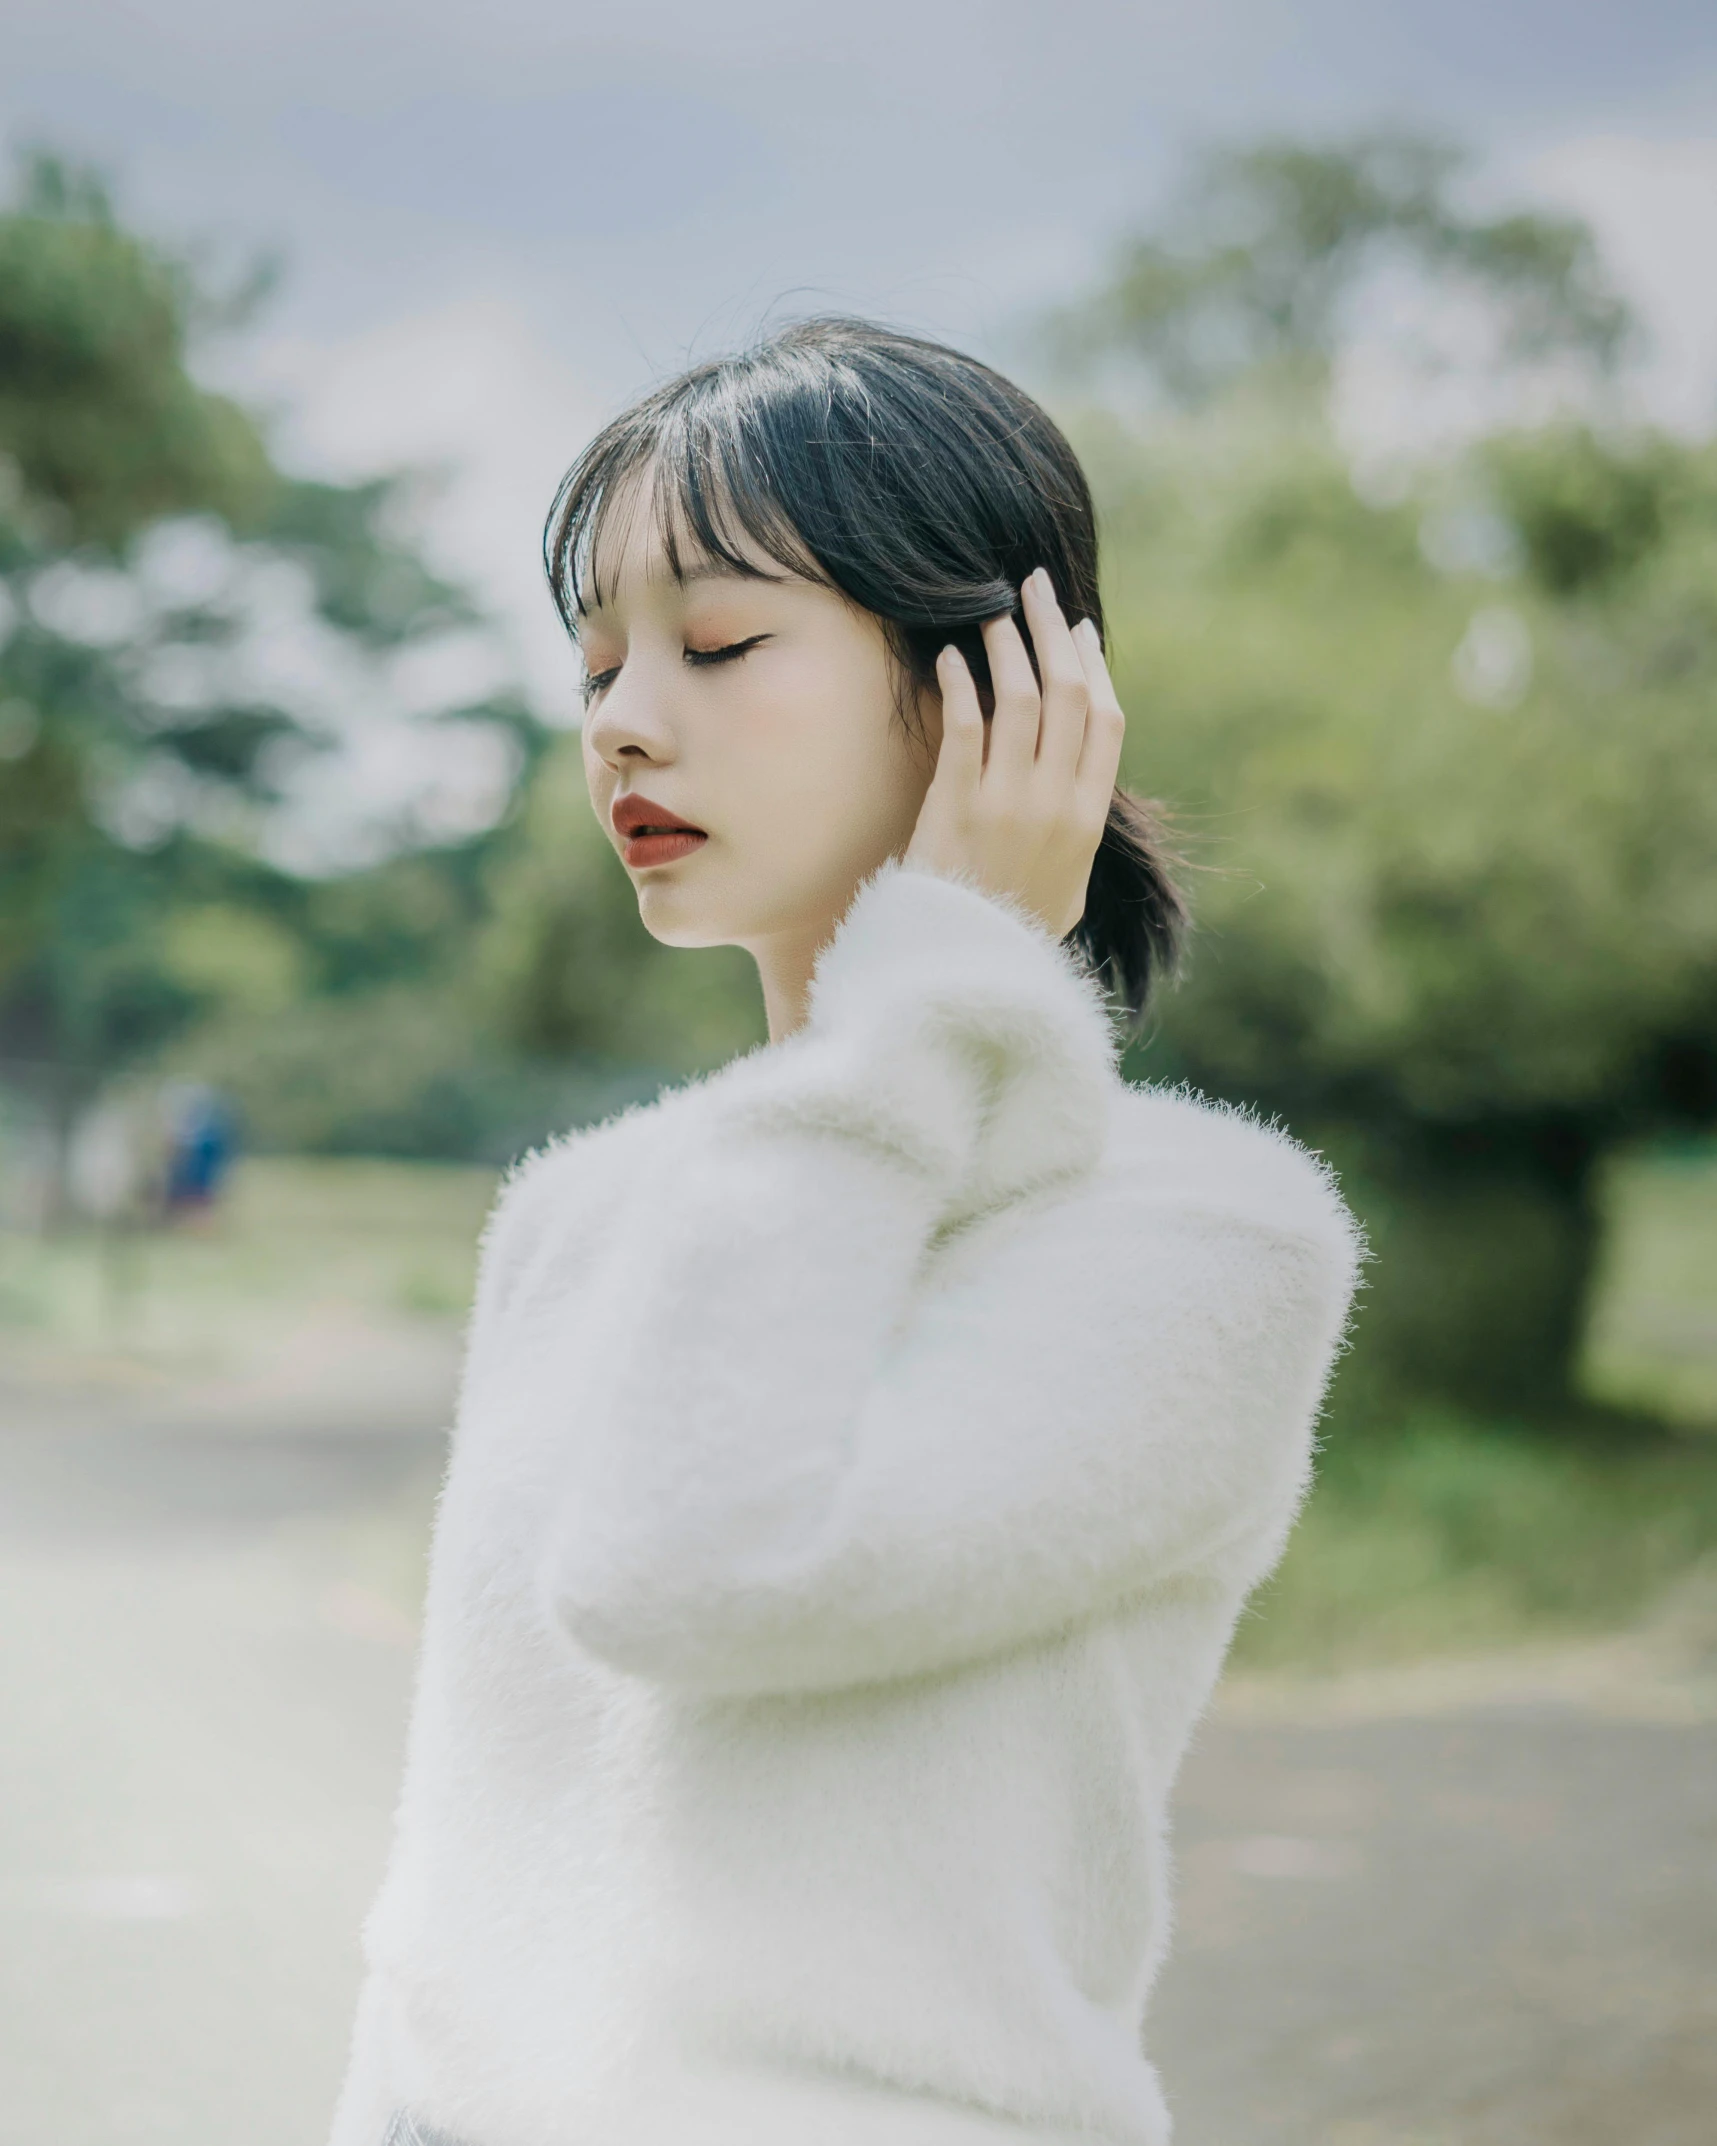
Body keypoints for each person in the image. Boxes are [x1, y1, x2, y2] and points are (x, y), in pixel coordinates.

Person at [329, 319, 1362, 2146]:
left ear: (1000, 685)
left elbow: (689, 1566)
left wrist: (939, 985)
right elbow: (460, 1886)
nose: (626, 719)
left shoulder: (1209, 1240)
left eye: (721, 642)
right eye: (598, 668)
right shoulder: (577, 1217)